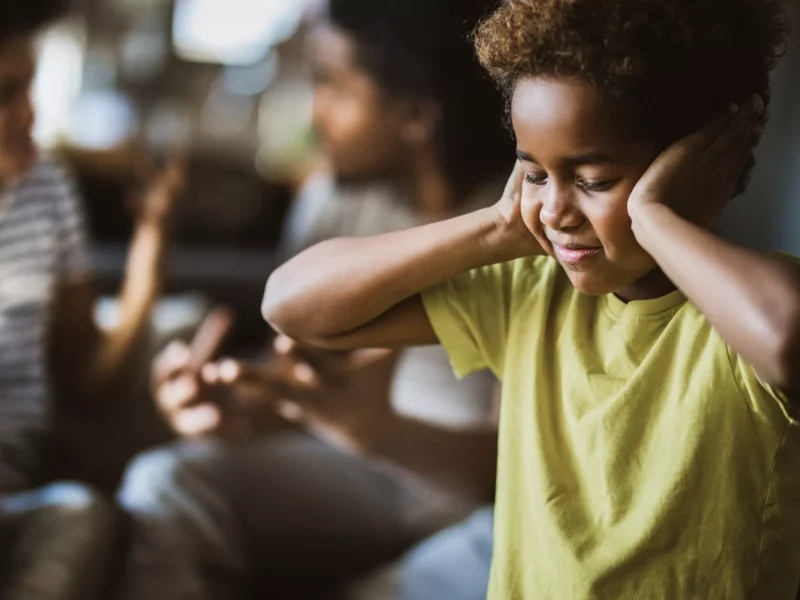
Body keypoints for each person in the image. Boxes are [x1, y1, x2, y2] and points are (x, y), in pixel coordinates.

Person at [263, 0, 800, 597]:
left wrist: (654, 216)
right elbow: (291, 304)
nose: (555, 210)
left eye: (594, 180)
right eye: (536, 174)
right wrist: (497, 224)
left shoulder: (748, 310)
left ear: (701, 163)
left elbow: (786, 342)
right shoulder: (529, 290)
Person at [116, 0, 511, 598]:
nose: (314, 114)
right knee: (162, 482)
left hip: (451, 487)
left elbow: (506, 467)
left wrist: (378, 430)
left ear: (417, 116)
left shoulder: (523, 224)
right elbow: (310, 379)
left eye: (332, 85)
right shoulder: (336, 201)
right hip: (345, 464)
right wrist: (240, 403)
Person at [0, 1, 185, 598]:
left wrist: (147, 264)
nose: (30, 112)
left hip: (14, 497)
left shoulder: (47, 190)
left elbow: (85, 381)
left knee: (80, 516)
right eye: (5, 93)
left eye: (30, 87)